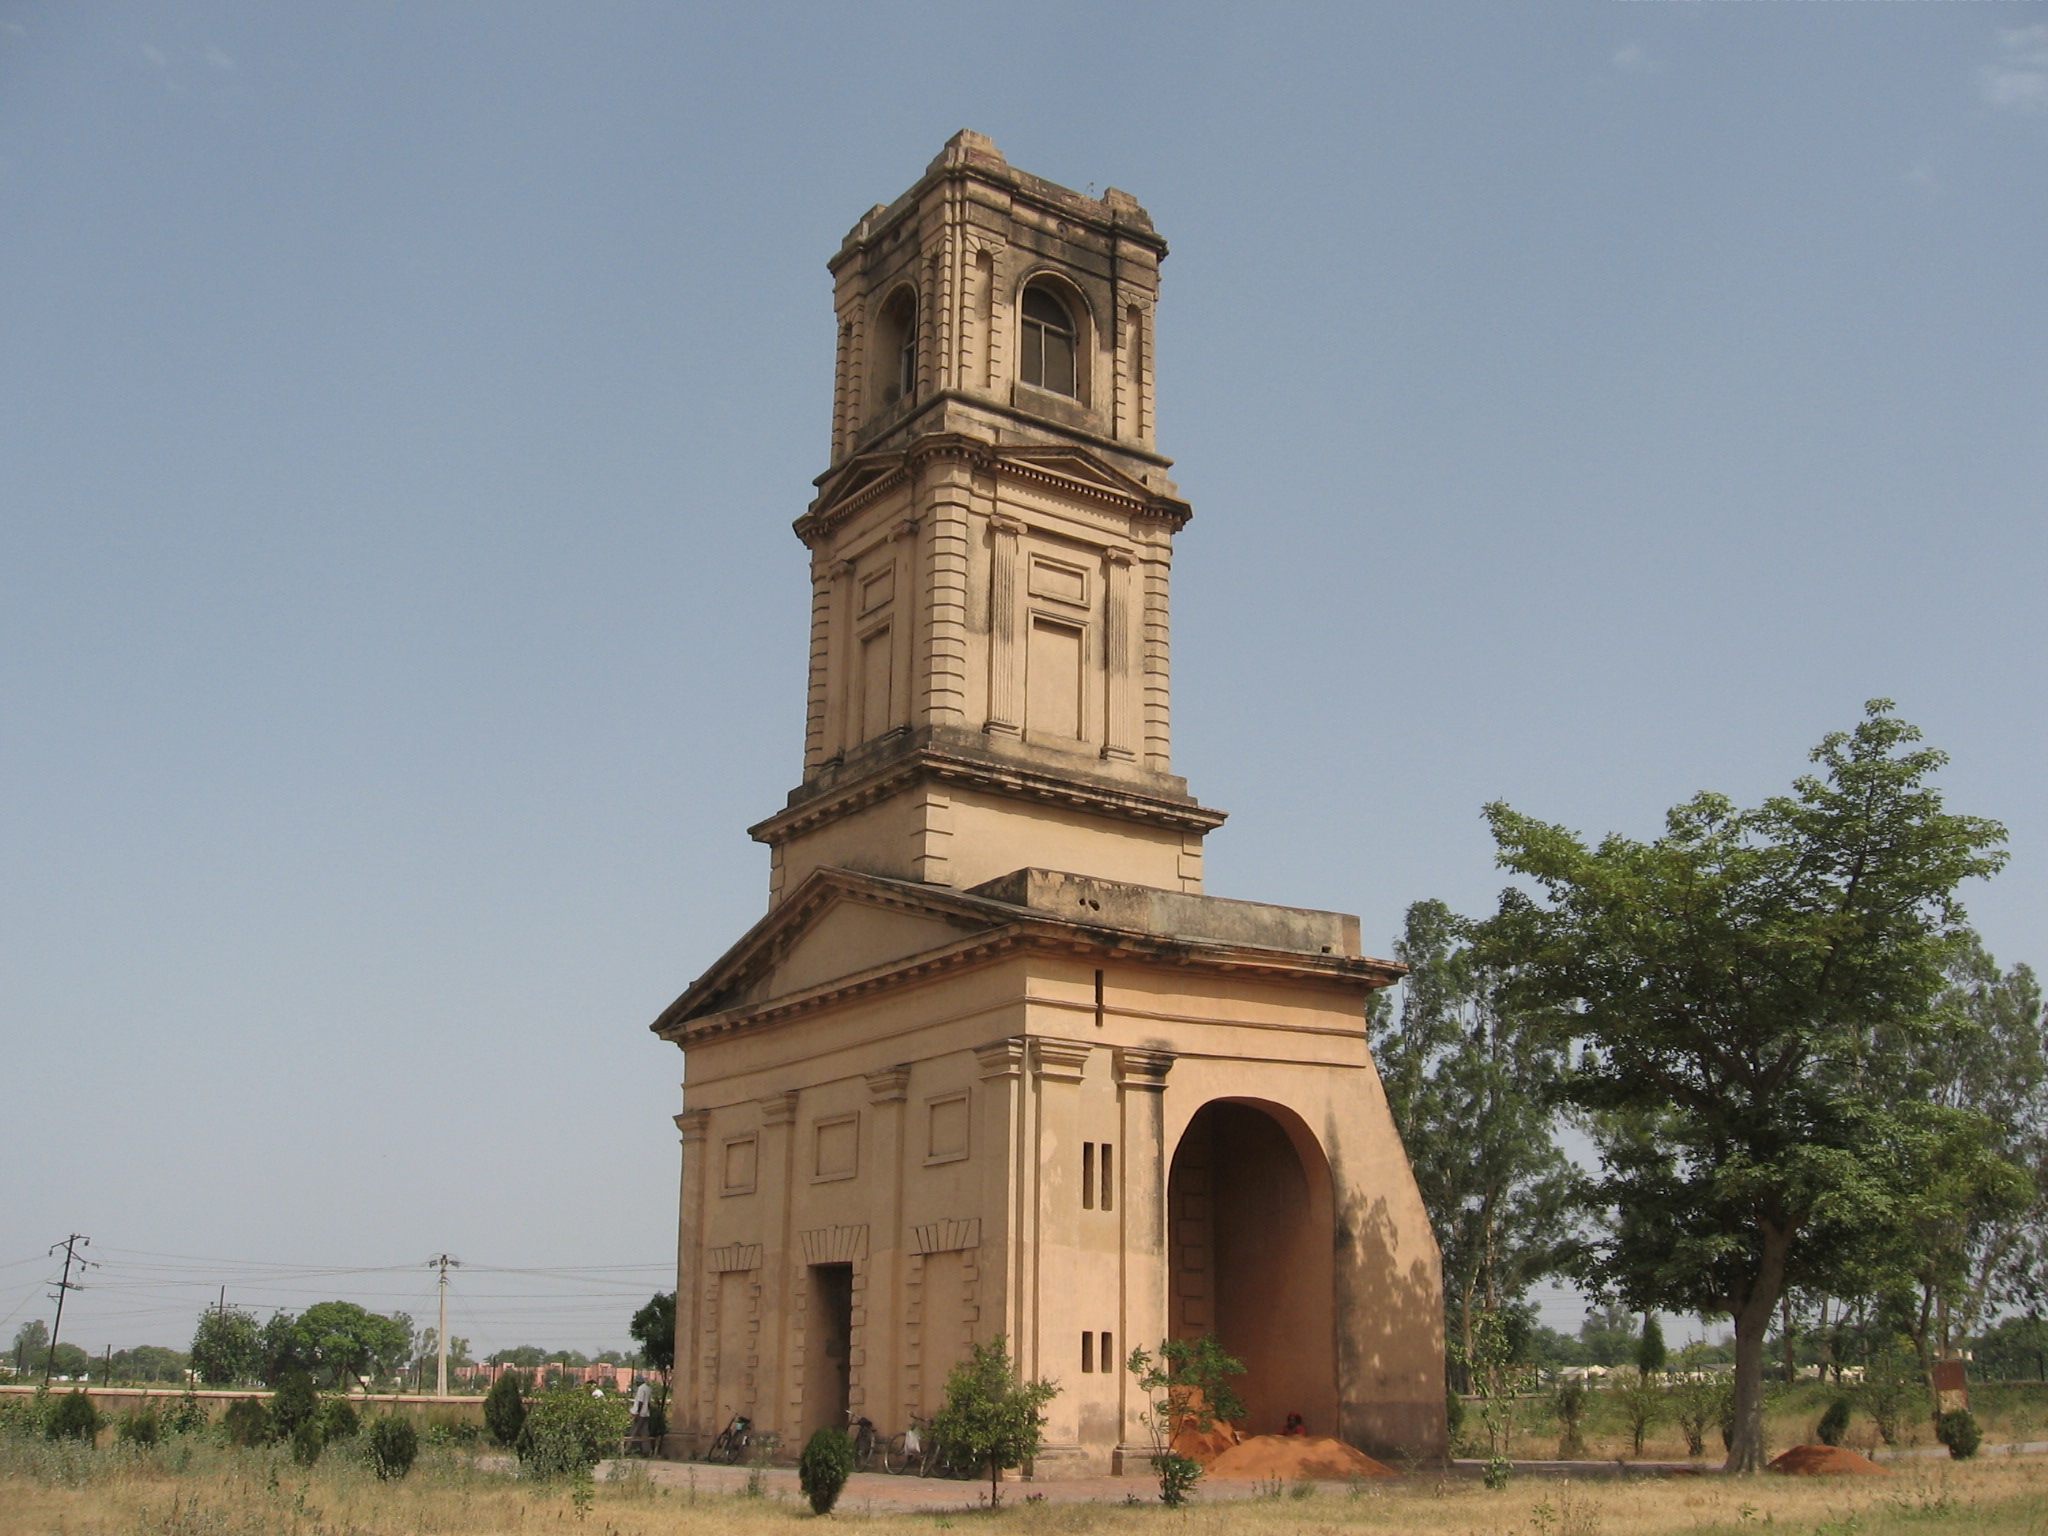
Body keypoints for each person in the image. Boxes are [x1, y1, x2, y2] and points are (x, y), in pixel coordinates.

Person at [629, 1378, 654, 1454]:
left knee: (633, 1432)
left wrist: (637, 1413)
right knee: (645, 1433)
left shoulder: (641, 1389)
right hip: (646, 1413)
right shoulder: (648, 1388)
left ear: (638, 1382)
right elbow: (649, 1403)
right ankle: (647, 1451)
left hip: (640, 1414)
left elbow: (640, 1401)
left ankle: (627, 1449)